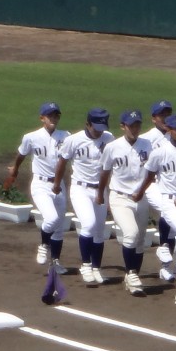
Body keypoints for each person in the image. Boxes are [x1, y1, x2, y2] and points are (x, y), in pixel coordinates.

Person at [135, 113, 176, 311]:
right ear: (169, 130)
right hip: (169, 201)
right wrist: (139, 193)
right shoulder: (159, 152)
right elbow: (149, 177)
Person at [5, 102, 70, 275]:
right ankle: (43, 245)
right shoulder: (31, 137)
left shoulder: (66, 136)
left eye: (56, 116)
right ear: (42, 118)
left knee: (59, 228)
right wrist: (15, 169)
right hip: (40, 184)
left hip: (59, 184)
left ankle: (55, 262)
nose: (54, 119)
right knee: (52, 218)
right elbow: (22, 154)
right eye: (50, 116)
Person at [53, 108, 113, 286]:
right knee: (88, 224)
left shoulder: (108, 138)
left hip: (100, 189)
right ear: (87, 124)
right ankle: (85, 265)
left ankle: (96, 268)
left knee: (99, 231)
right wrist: (56, 184)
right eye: (96, 127)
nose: (99, 131)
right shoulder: (74, 140)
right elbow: (62, 162)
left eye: (102, 127)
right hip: (80, 188)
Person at [98, 110, 155, 297]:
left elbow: (153, 172)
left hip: (141, 198)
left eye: (137, 125)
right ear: (123, 126)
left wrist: (145, 191)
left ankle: (133, 278)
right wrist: (101, 195)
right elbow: (105, 173)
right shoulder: (112, 147)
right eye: (131, 126)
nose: (135, 129)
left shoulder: (147, 145)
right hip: (119, 197)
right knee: (130, 234)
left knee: (140, 241)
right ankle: (131, 273)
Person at [138, 99, 176, 282]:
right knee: (166, 209)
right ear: (154, 118)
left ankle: (166, 267)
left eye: (168, 114)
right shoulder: (147, 139)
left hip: (170, 184)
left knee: (175, 218)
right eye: (162, 115)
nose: (166, 118)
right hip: (151, 184)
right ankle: (163, 246)